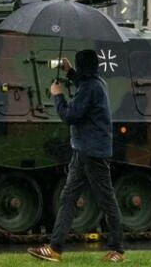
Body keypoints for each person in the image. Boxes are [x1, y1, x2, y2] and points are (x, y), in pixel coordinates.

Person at [27, 49, 124, 263]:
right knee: (68, 197)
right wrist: (70, 72)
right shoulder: (97, 82)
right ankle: (54, 249)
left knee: (106, 200)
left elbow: (70, 115)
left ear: (82, 67)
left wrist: (57, 95)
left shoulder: (90, 88)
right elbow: (83, 82)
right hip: (84, 150)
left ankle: (117, 249)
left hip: (92, 152)